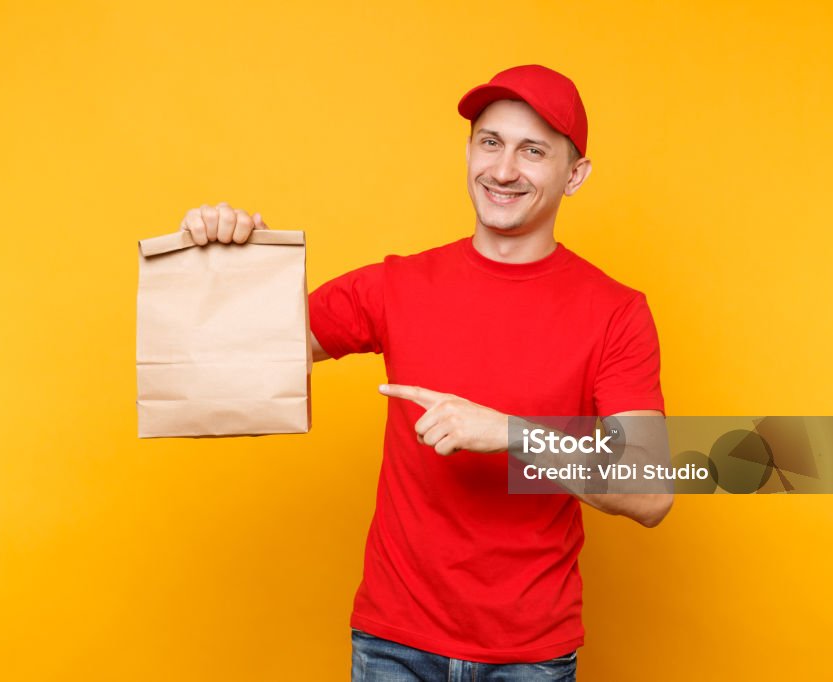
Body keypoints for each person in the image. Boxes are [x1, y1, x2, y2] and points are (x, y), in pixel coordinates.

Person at [179, 64, 672, 682]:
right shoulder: (397, 285)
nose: (502, 170)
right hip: (392, 646)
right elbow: (231, 352)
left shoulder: (616, 312)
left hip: (529, 657)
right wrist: (221, 263)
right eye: (490, 142)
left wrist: (511, 433)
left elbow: (652, 490)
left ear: (575, 175)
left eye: (533, 151)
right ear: (469, 151)